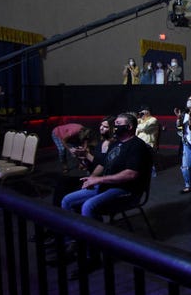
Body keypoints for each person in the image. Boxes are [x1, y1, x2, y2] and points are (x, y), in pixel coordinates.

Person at [60, 113, 153, 273]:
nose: (114, 127)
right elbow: (102, 164)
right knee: (67, 201)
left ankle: (93, 256)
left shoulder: (137, 146)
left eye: (118, 124)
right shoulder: (115, 144)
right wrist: (90, 174)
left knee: (89, 207)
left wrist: (99, 180)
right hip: (107, 186)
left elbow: (131, 174)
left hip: (126, 190)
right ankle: (73, 245)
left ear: (129, 127)